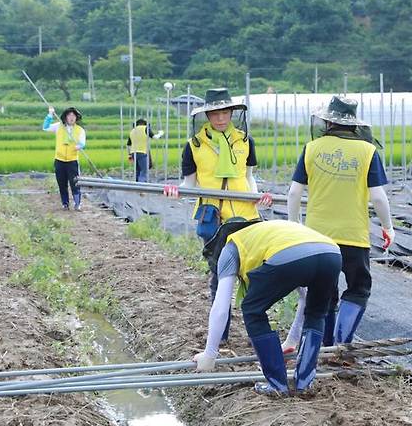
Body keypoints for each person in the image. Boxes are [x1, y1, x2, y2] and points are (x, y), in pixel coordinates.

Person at [163, 88, 272, 341]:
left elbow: (248, 178)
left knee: (251, 273)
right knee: (220, 275)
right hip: (213, 217)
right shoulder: (194, 146)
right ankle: (220, 334)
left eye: (225, 112)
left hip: (245, 215)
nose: (221, 119)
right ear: (207, 116)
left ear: (232, 113)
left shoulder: (245, 141)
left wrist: (259, 197)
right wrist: (175, 191)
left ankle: (255, 329)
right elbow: (190, 184)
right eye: (215, 114)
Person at [286, 96, 394, 349]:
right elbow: (378, 196)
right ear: (354, 125)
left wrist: (294, 227)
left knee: (323, 293)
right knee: (358, 288)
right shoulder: (368, 151)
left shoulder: (312, 148)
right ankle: (342, 344)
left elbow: (293, 193)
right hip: (353, 236)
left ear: (327, 122)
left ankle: (322, 349)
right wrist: (387, 227)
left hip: (316, 238)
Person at [192, 220, 342, 395]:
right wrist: (292, 340)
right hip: (332, 253)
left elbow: (221, 307)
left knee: (252, 309)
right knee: (316, 314)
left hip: (292, 254)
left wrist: (209, 355)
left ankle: (277, 384)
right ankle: (304, 382)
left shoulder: (231, 246)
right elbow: (305, 297)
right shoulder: (270, 233)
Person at [43, 106, 86, 211]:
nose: (71, 118)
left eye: (73, 116)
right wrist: (50, 115)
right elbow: (45, 127)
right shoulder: (59, 126)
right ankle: (65, 204)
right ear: (65, 117)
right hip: (59, 160)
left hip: (72, 160)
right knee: (62, 183)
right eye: (69, 115)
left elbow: (82, 143)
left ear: (76, 118)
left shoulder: (80, 130)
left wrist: (79, 146)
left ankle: (77, 203)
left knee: (75, 183)